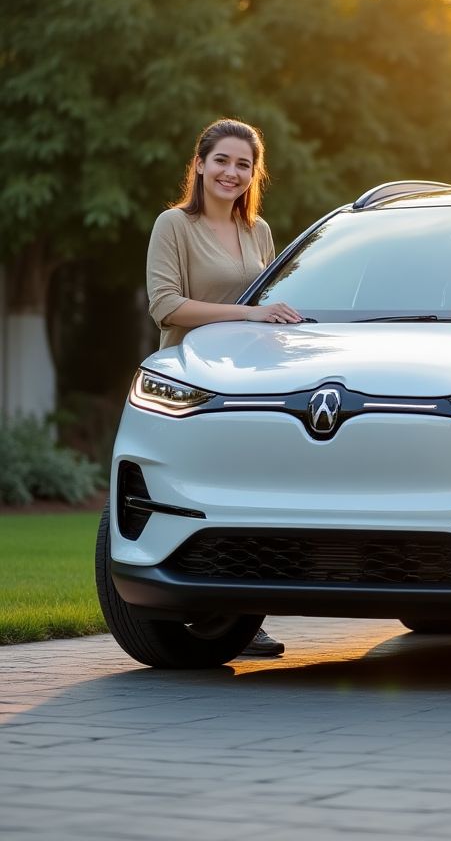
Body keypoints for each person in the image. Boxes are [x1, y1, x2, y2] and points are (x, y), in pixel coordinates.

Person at [146, 117, 302, 658]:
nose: (231, 173)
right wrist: (250, 313)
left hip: (251, 384)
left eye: (243, 165)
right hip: (192, 386)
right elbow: (165, 305)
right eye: (222, 161)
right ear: (199, 164)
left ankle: (246, 617)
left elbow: (272, 305)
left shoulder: (258, 232)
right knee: (199, 496)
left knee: (255, 493)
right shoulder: (173, 225)